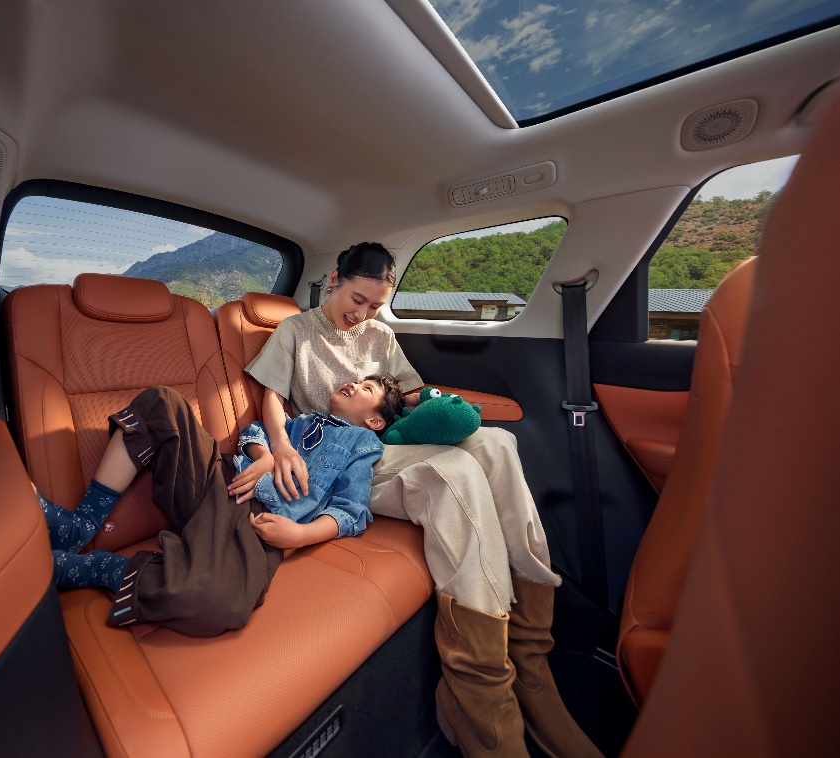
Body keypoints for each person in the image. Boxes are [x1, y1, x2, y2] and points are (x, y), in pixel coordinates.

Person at [245, 242, 601, 758]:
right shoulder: (296, 332)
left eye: (375, 305)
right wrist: (279, 447)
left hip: (384, 438)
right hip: (340, 461)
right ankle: (479, 690)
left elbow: (407, 393)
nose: (364, 314)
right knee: (453, 470)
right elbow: (271, 399)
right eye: (358, 300)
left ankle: (530, 658)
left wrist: (433, 404)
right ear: (334, 280)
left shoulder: (381, 335)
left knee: (497, 443)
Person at [34, 375, 404, 638]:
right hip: (224, 478)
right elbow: (255, 431)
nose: (354, 384)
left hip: (260, 528)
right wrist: (264, 455)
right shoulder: (299, 420)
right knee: (162, 403)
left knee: (220, 604)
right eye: (357, 380)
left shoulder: (362, 445)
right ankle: (81, 524)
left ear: (375, 421)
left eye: (367, 388)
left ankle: (95, 568)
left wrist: (300, 534)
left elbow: (350, 511)